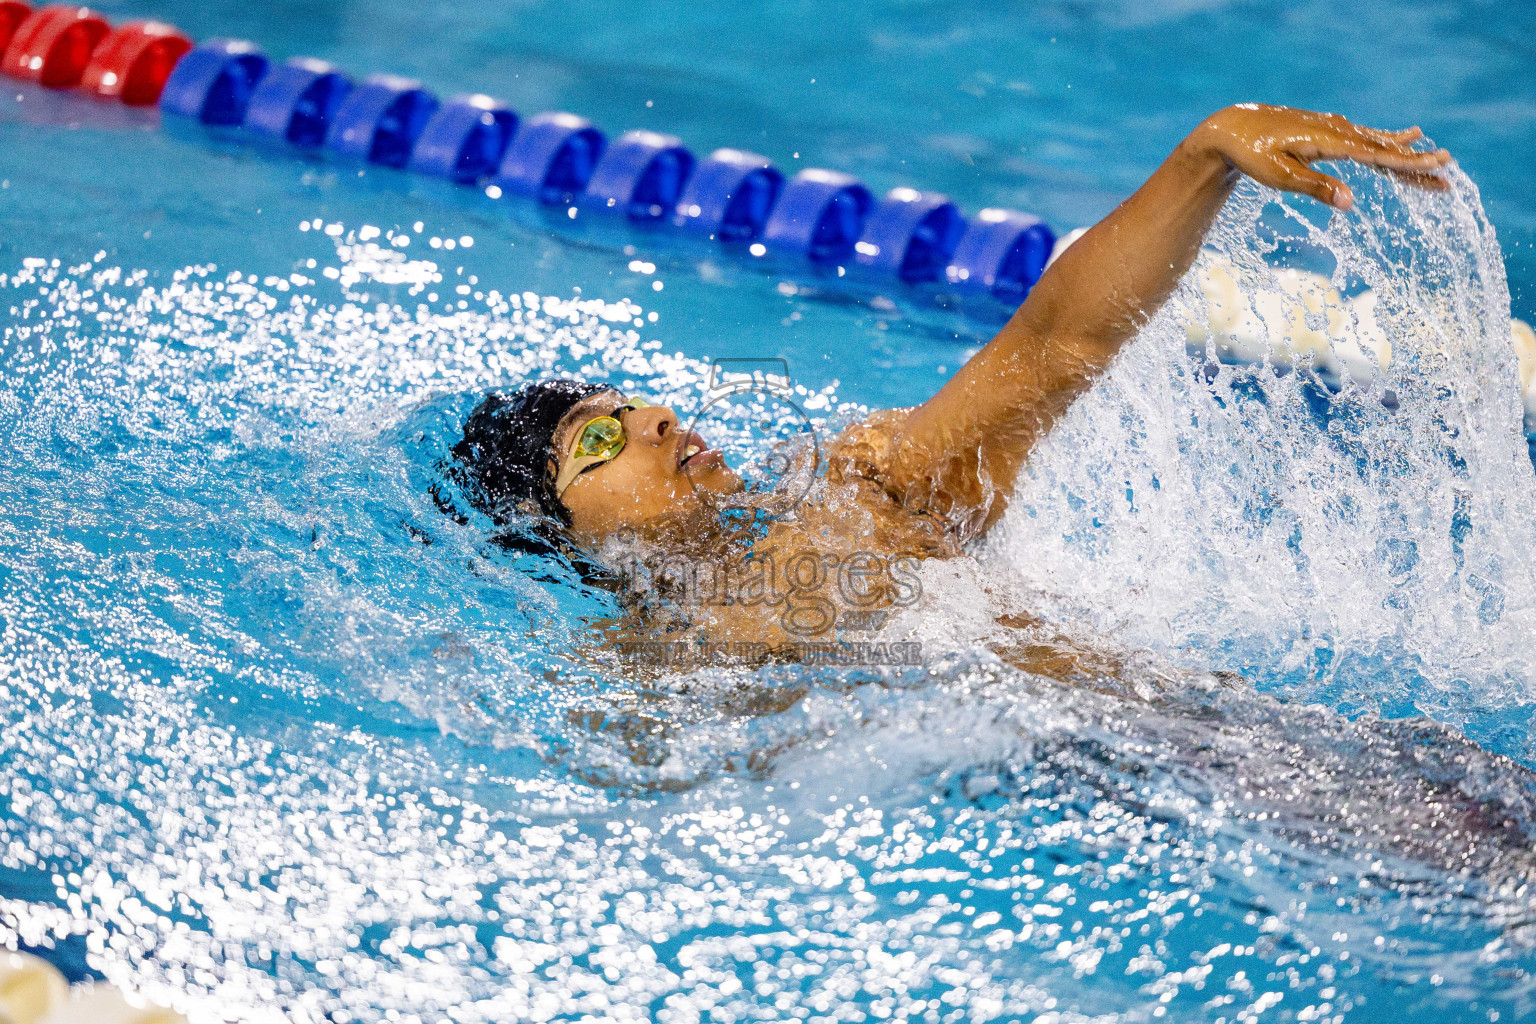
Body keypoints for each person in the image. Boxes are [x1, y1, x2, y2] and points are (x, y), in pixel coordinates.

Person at [446, 104, 1451, 663]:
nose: (656, 417)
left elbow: (1054, 351)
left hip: (1200, 760)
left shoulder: (854, 490)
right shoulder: (638, 681)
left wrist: (1201, 157)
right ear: (552, 537)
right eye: (598, 440)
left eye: (632, 404)